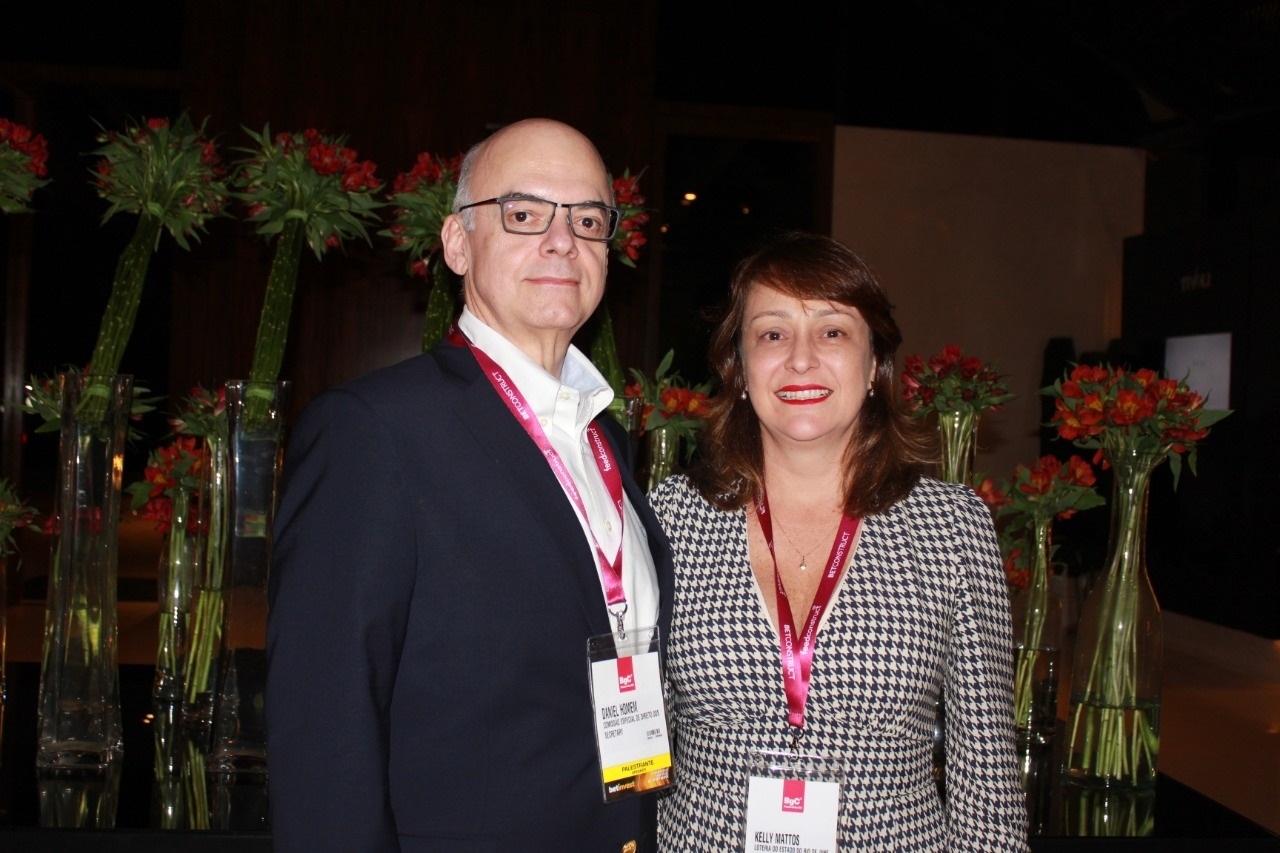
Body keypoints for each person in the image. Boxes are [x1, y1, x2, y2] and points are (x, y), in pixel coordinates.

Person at [266, 118, 674, 852]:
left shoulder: (606, 438)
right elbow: (324, 730)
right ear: (457, 243)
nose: (563, 240)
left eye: (588, 220)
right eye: (524, 214)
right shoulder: (373, 431)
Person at [649, 232, 1028, 850]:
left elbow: (988, 782)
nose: (801, 359)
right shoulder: (672, 516)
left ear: (874, 365)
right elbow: (636, 742)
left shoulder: (952, 528)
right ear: (739, 368)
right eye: (773, 334)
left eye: (832, 331)